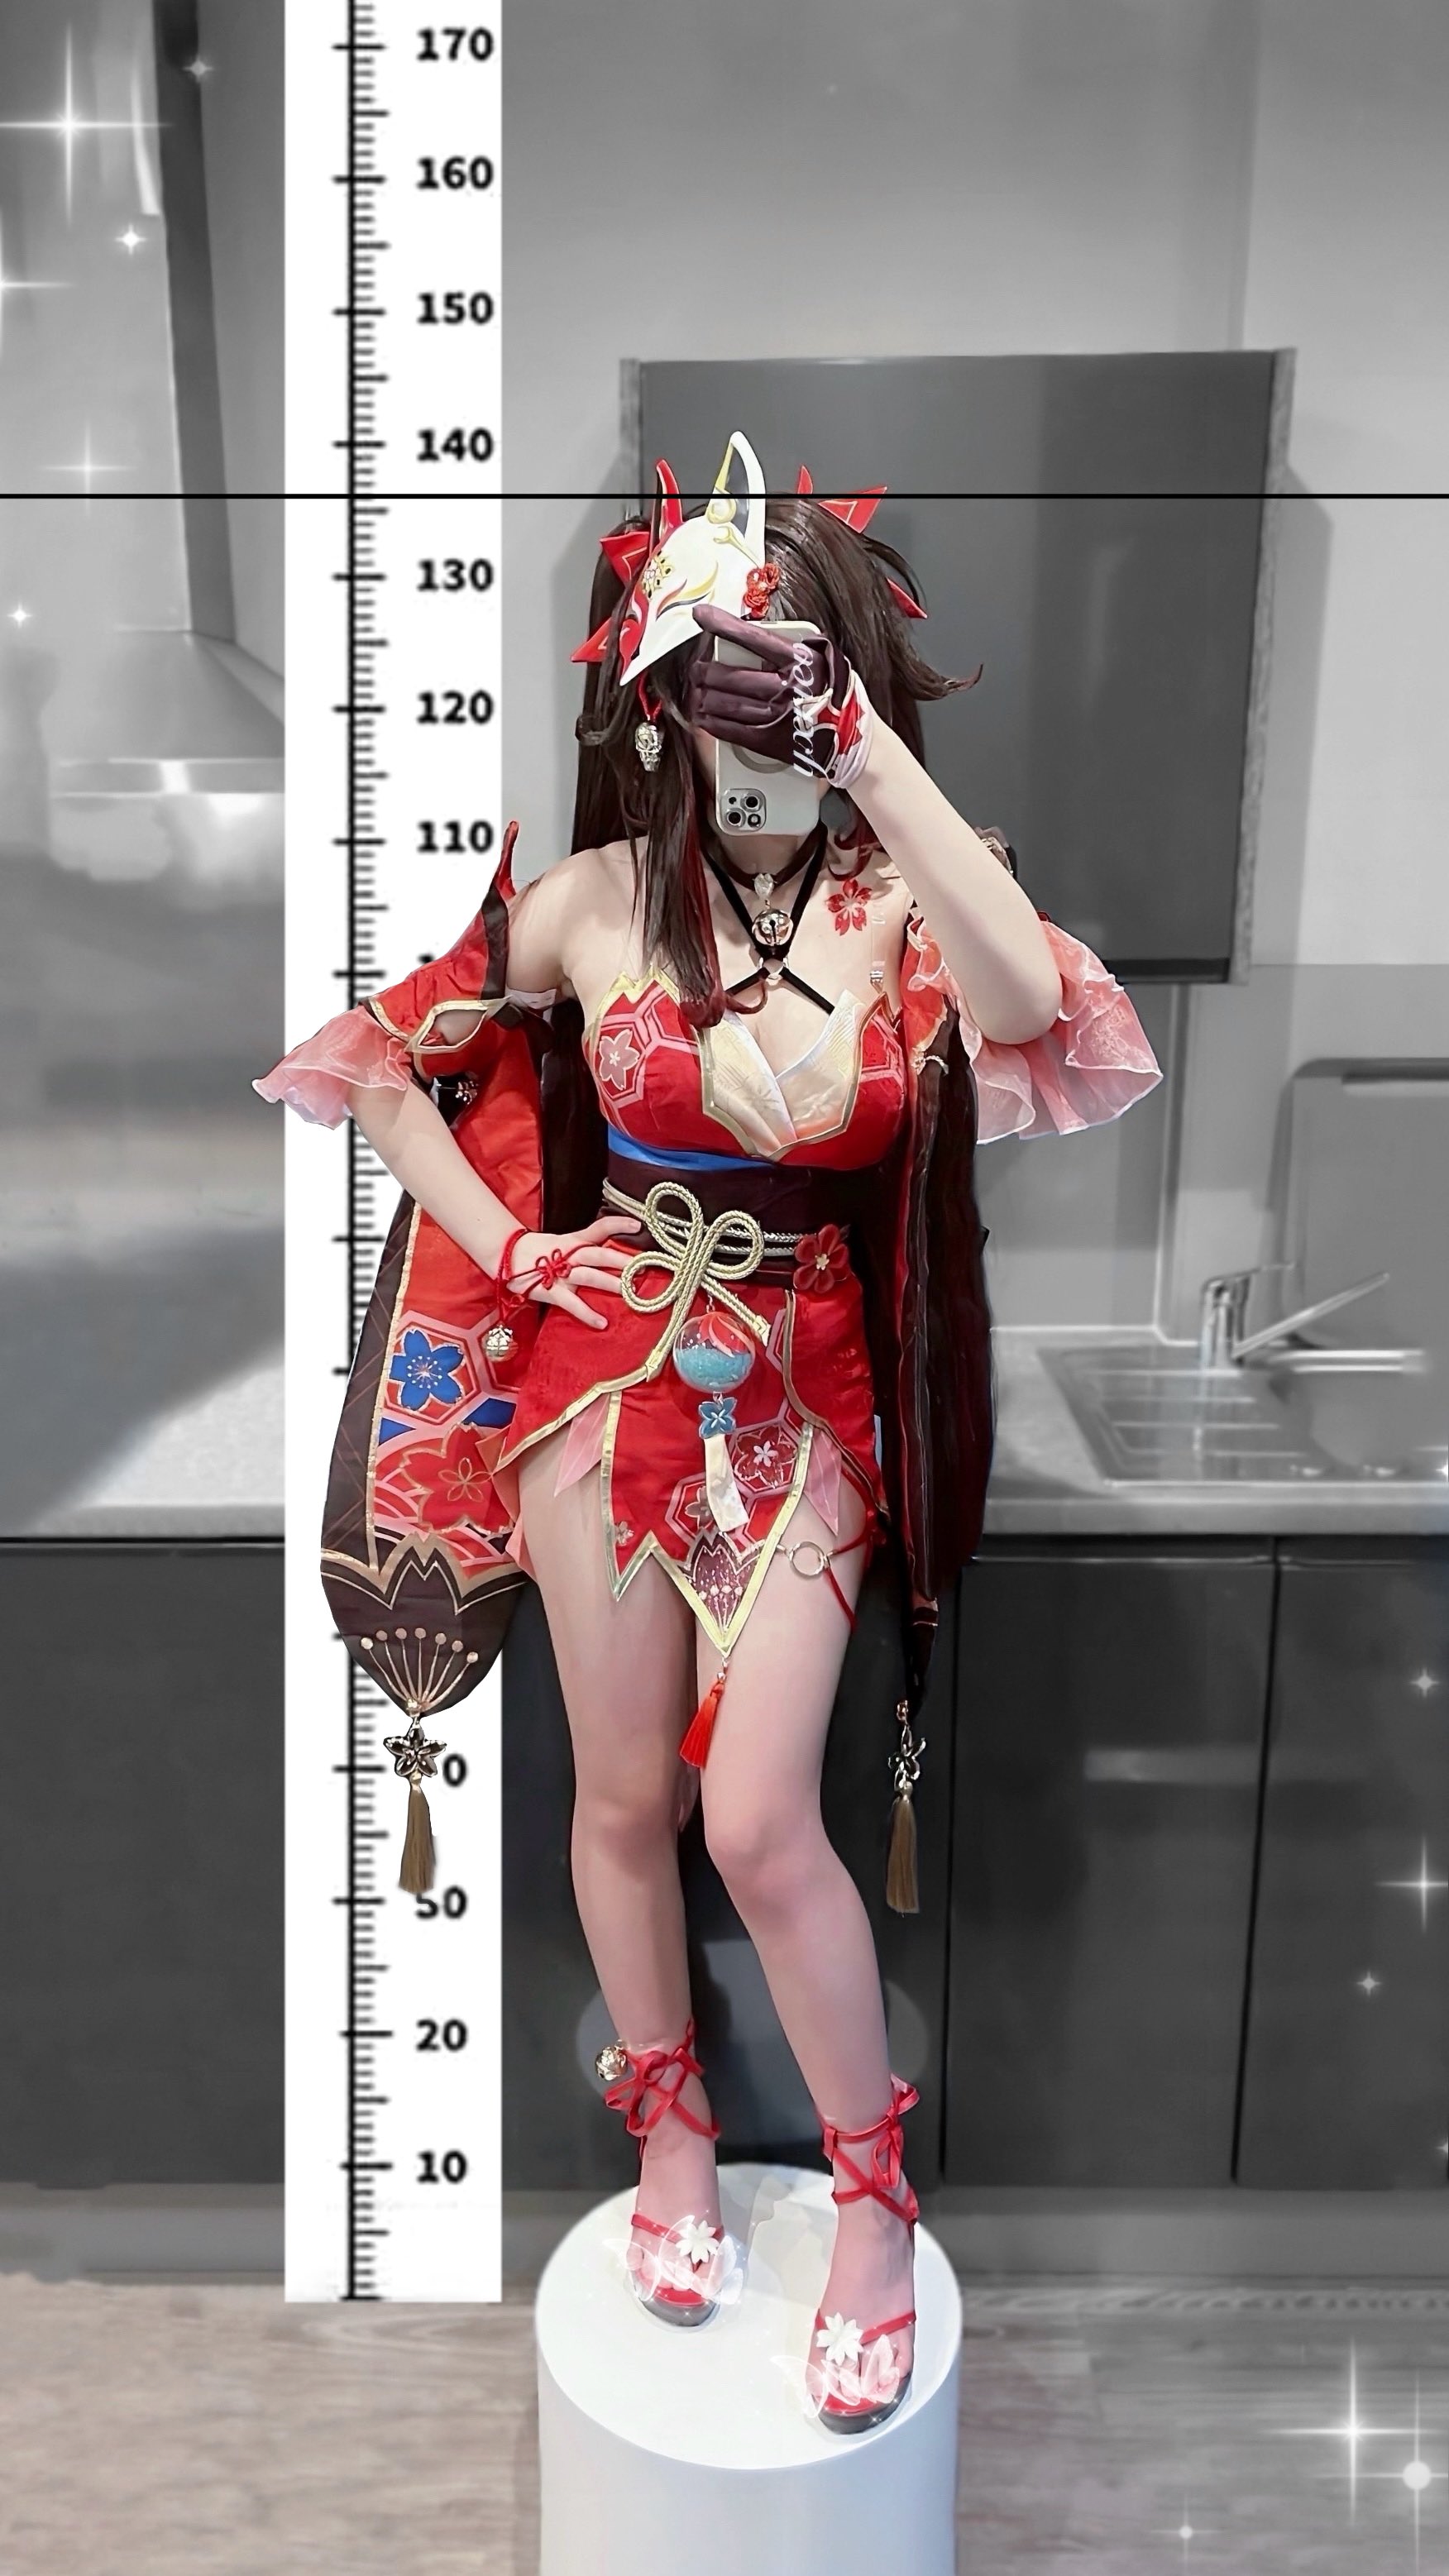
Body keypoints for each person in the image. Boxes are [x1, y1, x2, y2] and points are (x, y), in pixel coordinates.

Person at [257, 432, 1162, 2431]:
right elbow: (377, 1065)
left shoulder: (902, 902)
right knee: (619, 1805)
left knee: (758, 1817)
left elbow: (1038, 1012)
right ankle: (671, 2138)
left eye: (777, 697)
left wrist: (867, 756)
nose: (742, 745)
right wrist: (515, 1242)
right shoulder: (591, 902)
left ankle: (869, 2196)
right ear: (654, 709)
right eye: (708, 695)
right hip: (602, 1392)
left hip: (806, 1394)